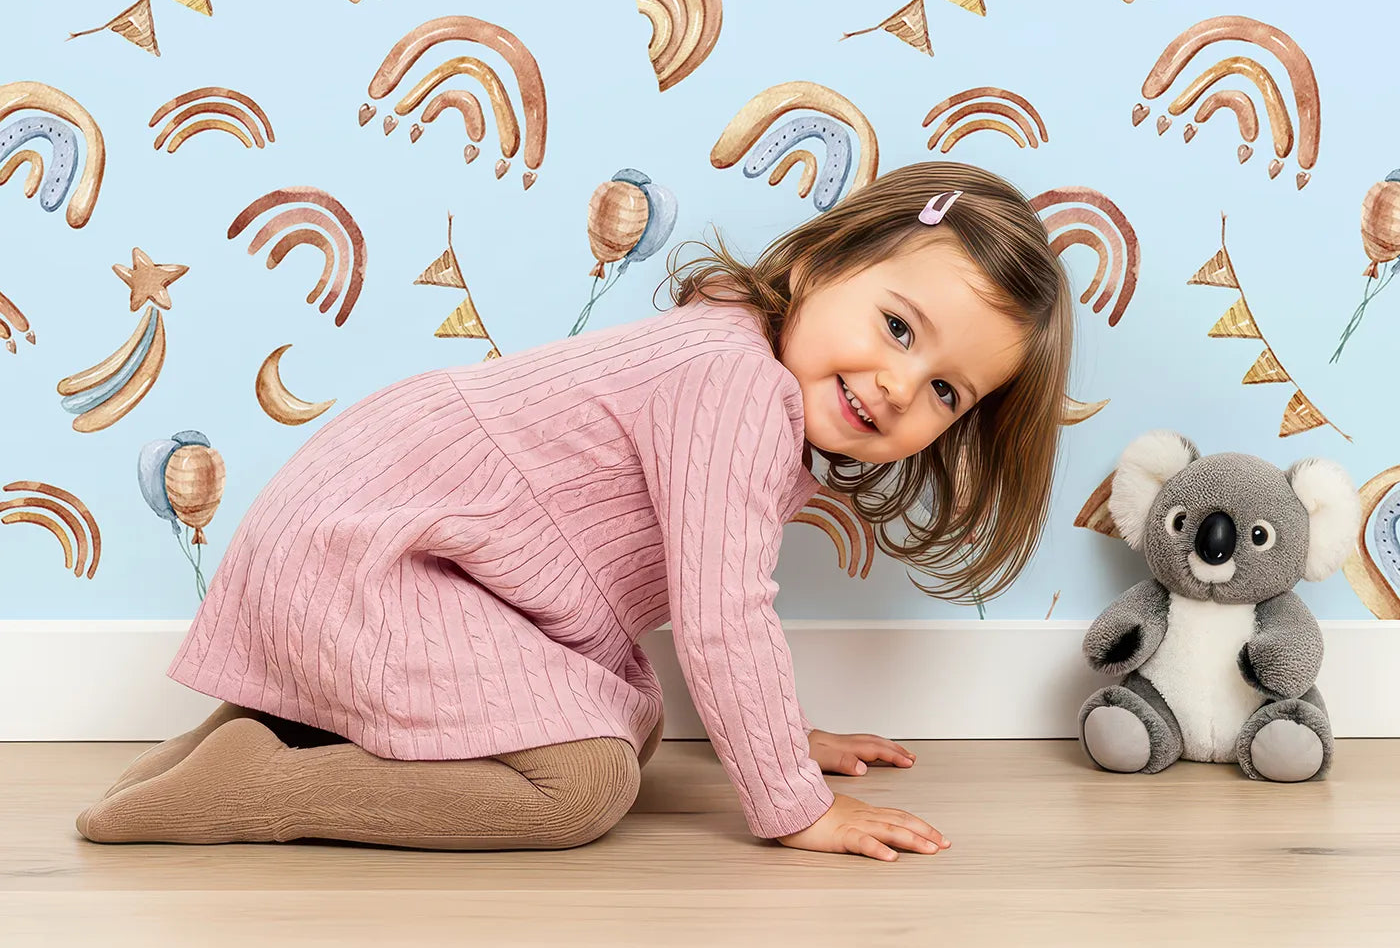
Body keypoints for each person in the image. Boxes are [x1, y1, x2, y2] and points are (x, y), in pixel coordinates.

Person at [75, 160, 1072, 861]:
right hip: (366, 554)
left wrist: (786, 728)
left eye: (946, 392)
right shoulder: (733, 384)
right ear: (816, 267)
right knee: (583, 784)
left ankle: (264, 727)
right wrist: (792, 803)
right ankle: (265, 785)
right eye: (897, 327)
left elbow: (714, 604)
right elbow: (722, 613)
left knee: (619, 723)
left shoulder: (730, 358)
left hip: (372, 545)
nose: (901, 385)